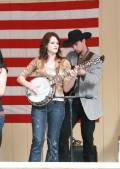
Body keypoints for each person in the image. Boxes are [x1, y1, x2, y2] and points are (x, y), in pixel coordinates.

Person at [16, 32, 76, 162]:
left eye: (57, 43)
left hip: (58, 104)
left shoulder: (64, 63)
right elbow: (20, 77)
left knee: (53, 142)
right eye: (53, 42)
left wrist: (72, 77)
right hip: (39, 105)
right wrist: (30, 86)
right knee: (37, 140)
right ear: (46, 45)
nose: (56, 45)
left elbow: (66, 88)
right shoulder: (37, 62)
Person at [59, 29, 103, 162]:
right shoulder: (70, 56)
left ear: (84, 41)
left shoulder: (95, 58)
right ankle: (64, 164)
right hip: (72, 101)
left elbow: (95, 80)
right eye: (71, 45)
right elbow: (63, 76)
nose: (73, 47)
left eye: (75, 44)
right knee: (62, 134)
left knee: (88, 138)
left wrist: (83, 73)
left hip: (88, 101)